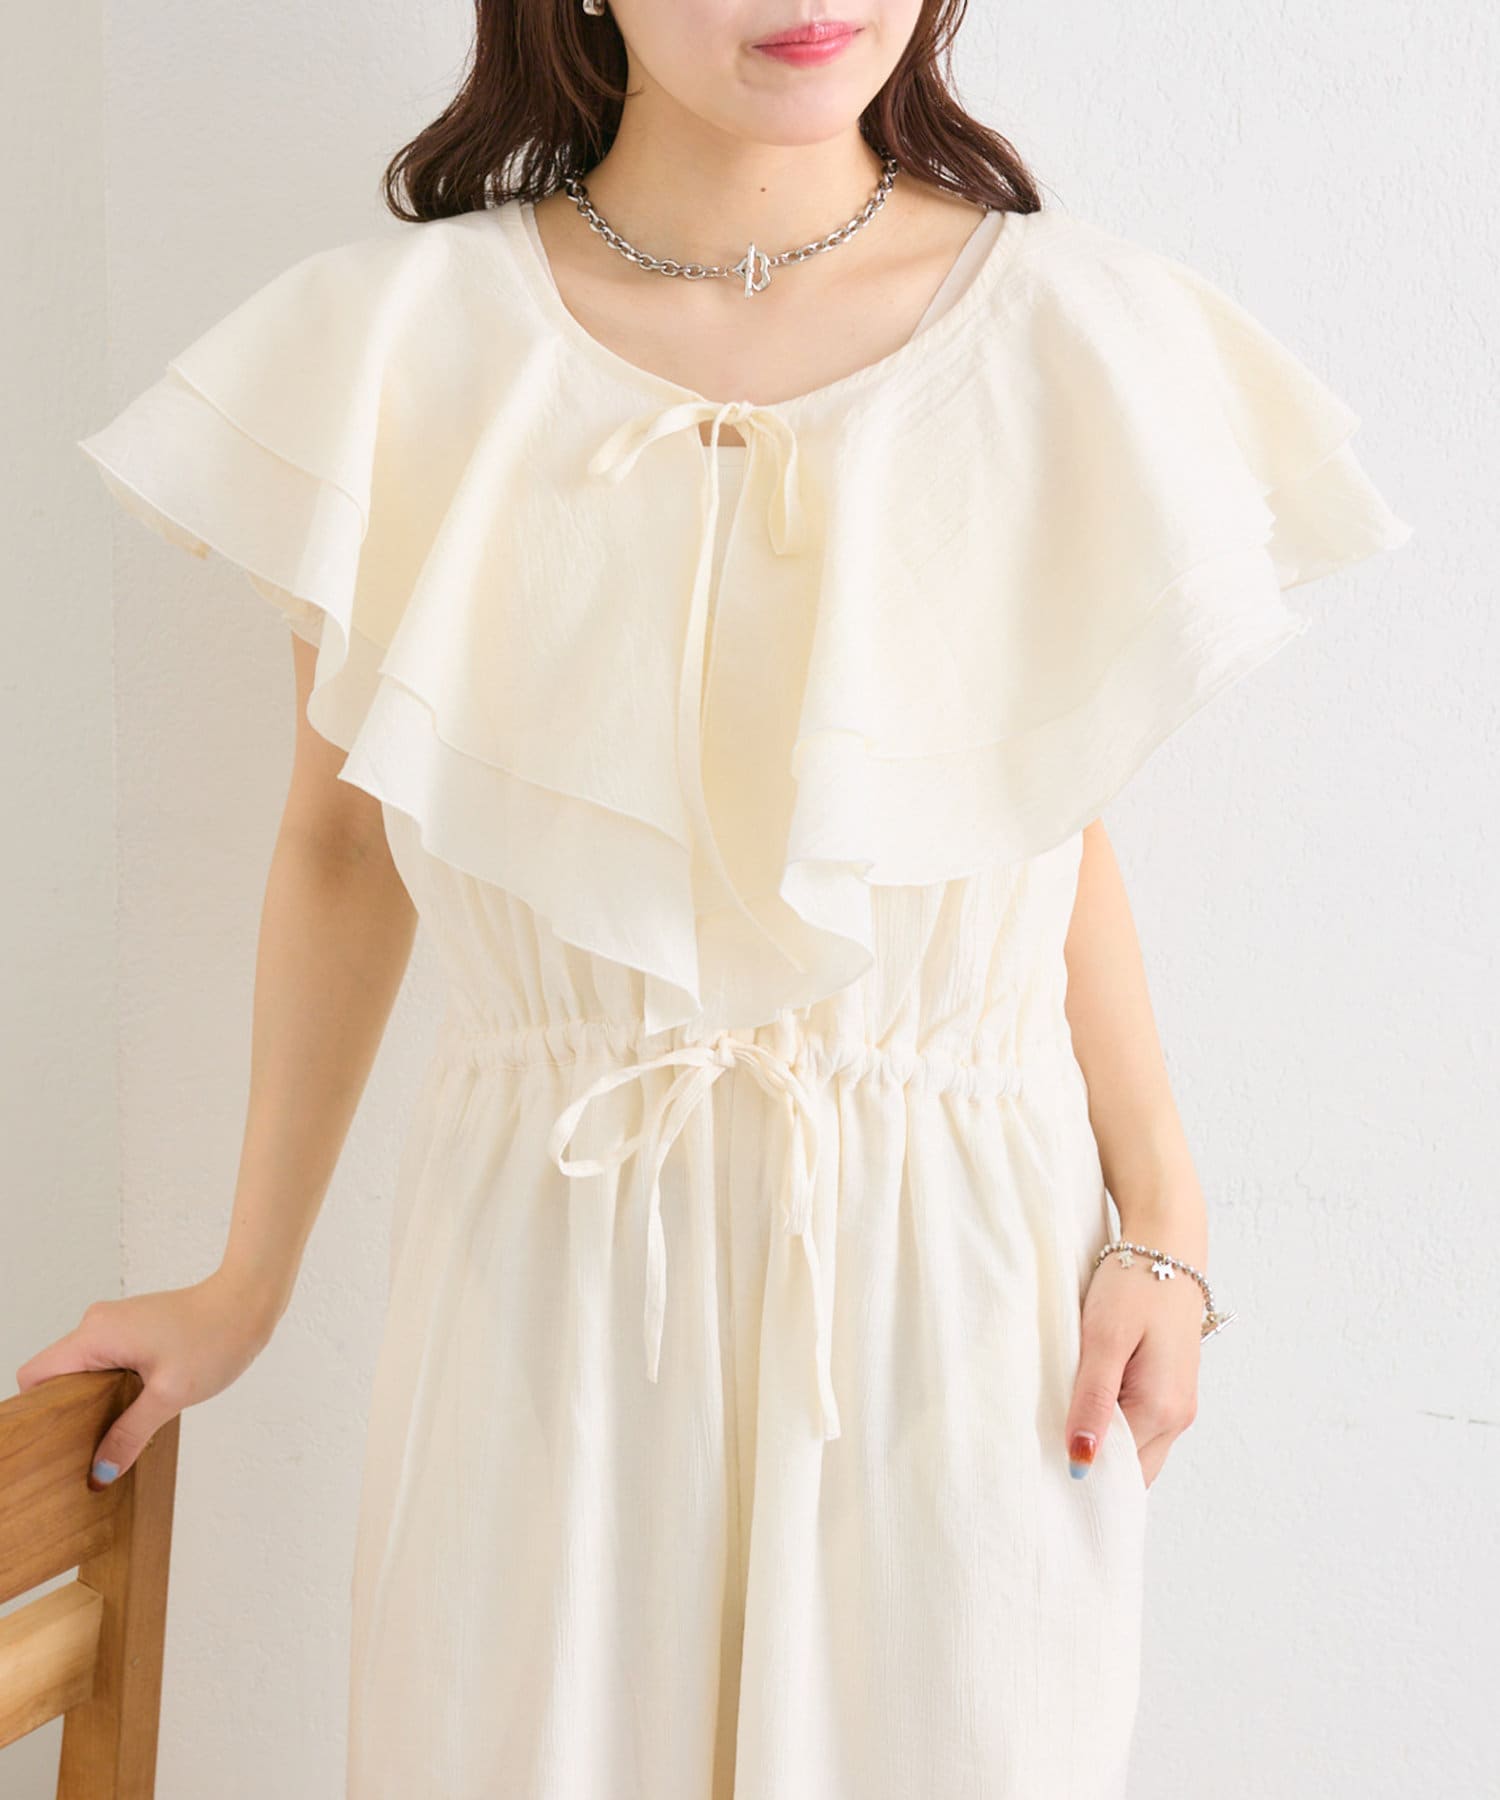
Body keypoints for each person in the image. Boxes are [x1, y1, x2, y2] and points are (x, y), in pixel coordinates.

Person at [18, 2, 1412, 1795]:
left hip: (963, 1292)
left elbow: (1040, 828)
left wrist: (1167, 1223)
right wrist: (243, 1285)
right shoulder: (400, 350)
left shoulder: (1074, 336)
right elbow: (344, 849)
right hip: (547, 1274)